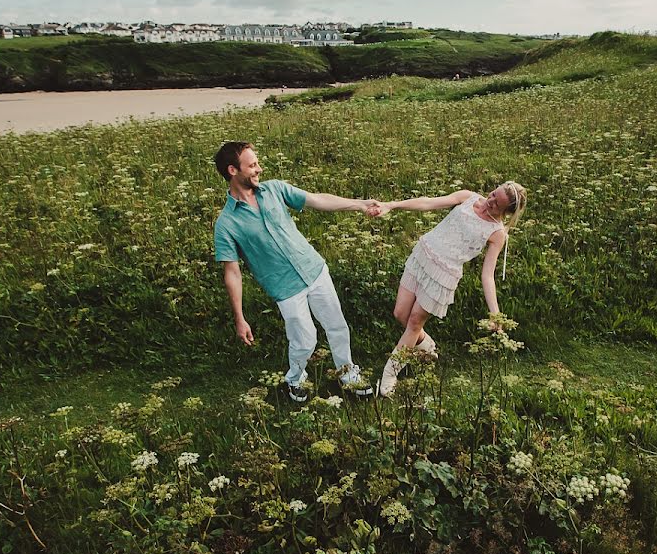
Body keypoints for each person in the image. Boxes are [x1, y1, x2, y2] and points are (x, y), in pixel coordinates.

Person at [213, 141, 376, 402]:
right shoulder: (226, 224)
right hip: (285, 288)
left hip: (314, 269)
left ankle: (348, 374)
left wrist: (359, 204)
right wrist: (239, 318)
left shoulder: (275, 189)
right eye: (252, 165)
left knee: (337, 326)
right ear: (233, 170)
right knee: (304, 340)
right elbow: (232, 273)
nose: (259, 169)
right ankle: (295, 379)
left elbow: (317, 200)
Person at [368, 182, 527, 396]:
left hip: (444, 275)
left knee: (414, 322)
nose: (490, 201)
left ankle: (389, 375)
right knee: (400, 314)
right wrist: (392, 205)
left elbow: (487, 275)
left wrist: (495, 314)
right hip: (422, 256)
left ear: (506, 212)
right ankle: (426, 346)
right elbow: (428, 203)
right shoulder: (468, 197)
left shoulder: (497, 233)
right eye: (492, 195)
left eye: (497, 204)